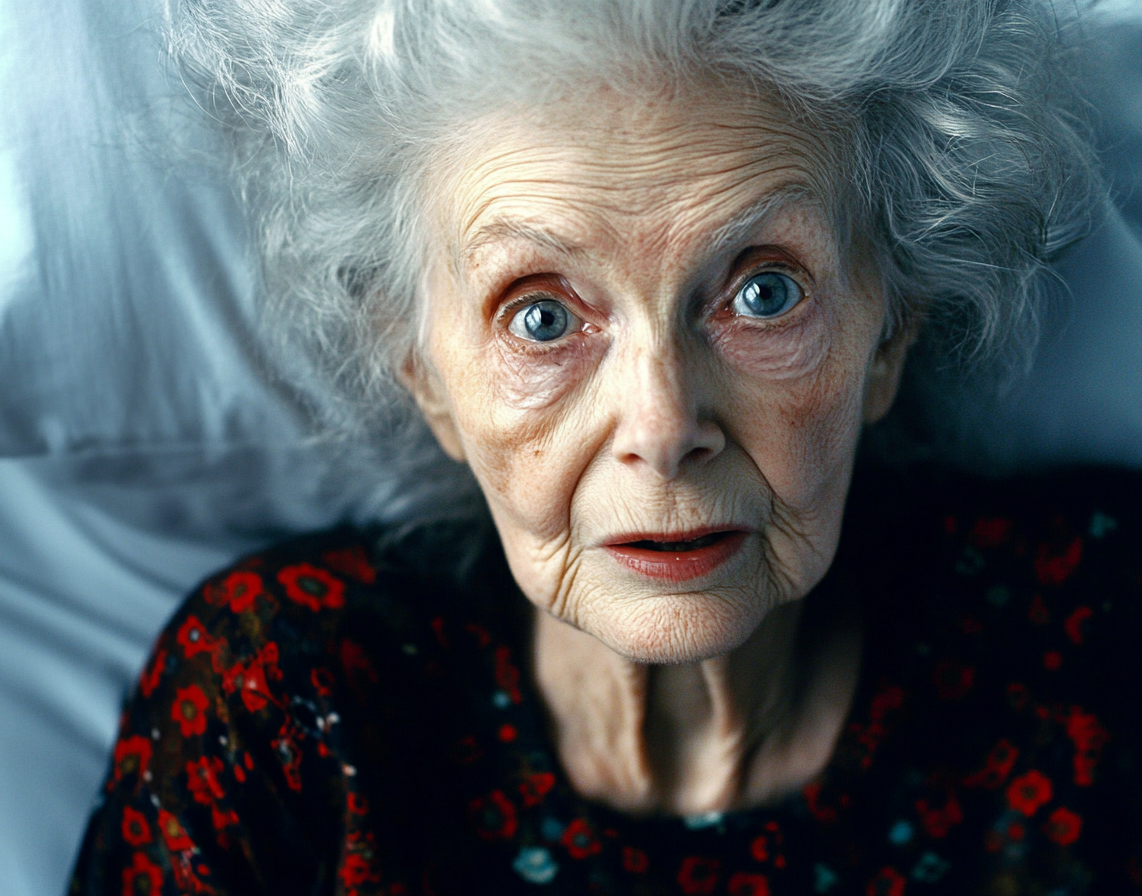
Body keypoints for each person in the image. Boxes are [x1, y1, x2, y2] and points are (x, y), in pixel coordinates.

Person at [70, 1, 1140, 892]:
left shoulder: (1097, 635)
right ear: (426, 374)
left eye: (763, 294)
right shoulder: (285, 711)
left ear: (887, 336)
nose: (665, 426)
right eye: (540, 316)